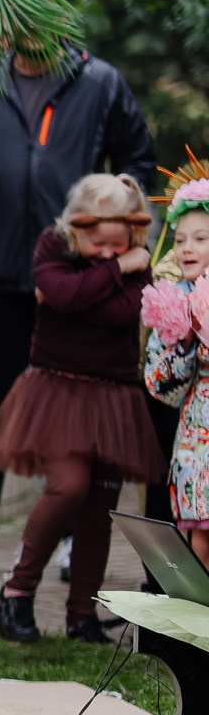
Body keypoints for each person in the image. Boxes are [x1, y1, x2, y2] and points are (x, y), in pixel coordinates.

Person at [0, 43, 157, 571]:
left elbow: (139, 159)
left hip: (80, 279)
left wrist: (126, 197)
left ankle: (78, 538)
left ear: (54, 5)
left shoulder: (101, 82)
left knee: (85, 407)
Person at [0, 174, 163, 643]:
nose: (107, 252)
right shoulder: (52, 245)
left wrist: (81, 291)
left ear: (132, 234)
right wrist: (117, 271)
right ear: (76, 228)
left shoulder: (136, 260)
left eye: (117, 245)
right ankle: (17, 591)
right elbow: (60, 294)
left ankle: (82, 612)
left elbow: (121, 314)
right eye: (98, 244)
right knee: (68, 485)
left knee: (101, 503)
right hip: (58, 390)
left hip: (114, 395)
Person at [141, 180, 209, 565]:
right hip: (197, 442)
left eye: (200, 238)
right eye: (181, 239)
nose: (186, 248)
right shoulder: (171, 303)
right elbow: (160, 386)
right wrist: (185, 345)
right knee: (200, 540)